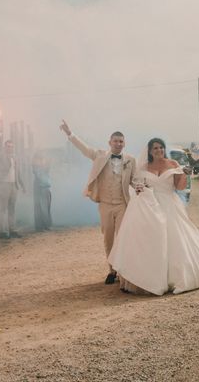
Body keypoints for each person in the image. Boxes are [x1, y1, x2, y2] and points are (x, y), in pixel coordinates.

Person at [108, 138, 199, 295]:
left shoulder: (173, 164)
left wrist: (185, 175)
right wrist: (141, 189)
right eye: (155, 148)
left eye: (161, 147)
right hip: (151, 207)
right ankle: (147, 277)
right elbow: (138, 186)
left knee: (177, 238)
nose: (159, 150)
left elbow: (179, 187)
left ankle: (176, 277)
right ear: (150, 151)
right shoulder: (143, 167)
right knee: (150, 240)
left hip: (170, 205)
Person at [59, 120, 136, 285]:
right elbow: (84, 148)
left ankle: (123, 271)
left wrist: (142, 187)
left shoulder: (131, 160)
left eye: (121, 141)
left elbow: (134, 180)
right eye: (115, 141)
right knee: (108, 238)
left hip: (123, 204)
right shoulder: (100, 155)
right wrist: (69, 133)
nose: (118, 144)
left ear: (125, 143)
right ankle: (112, 270)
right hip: (105, 204)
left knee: (122, 238)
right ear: (110, 142)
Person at [0, 120, 25, 239]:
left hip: (13, 185)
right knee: (3, 209)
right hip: (4, 185)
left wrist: (22, 185)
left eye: (11, 147)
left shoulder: (15, 157)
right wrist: (0, 135)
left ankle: (12, 230)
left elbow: (18, 172)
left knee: (12, 208)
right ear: (5, 147)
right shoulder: (1, 156)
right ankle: (2, 231)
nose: (10, 148)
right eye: (8, 146)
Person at [32, 151, 53, 231]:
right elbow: (39, 176)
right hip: (40, 188)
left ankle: (46, 225)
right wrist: (44, 166)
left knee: (46, 207)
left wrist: (47, 165)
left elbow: (46, 173)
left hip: (46, 187)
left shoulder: (43, 167)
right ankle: (40, 226)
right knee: (40, 207)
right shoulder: (36, 167)